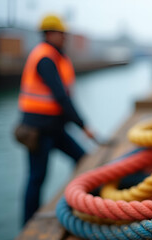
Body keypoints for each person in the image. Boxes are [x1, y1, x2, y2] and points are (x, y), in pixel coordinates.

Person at [17, 14, 94, 224]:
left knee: (83, 159)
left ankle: (75, 203)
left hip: (54, 128)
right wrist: (83, 126)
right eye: (61, 34)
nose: (65, 37)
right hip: (38, 130)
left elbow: (62, 98)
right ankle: (29, 223)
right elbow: (61, 97)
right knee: (37, 177)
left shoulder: (55, 56)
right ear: (49, 34)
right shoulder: (45, 58)